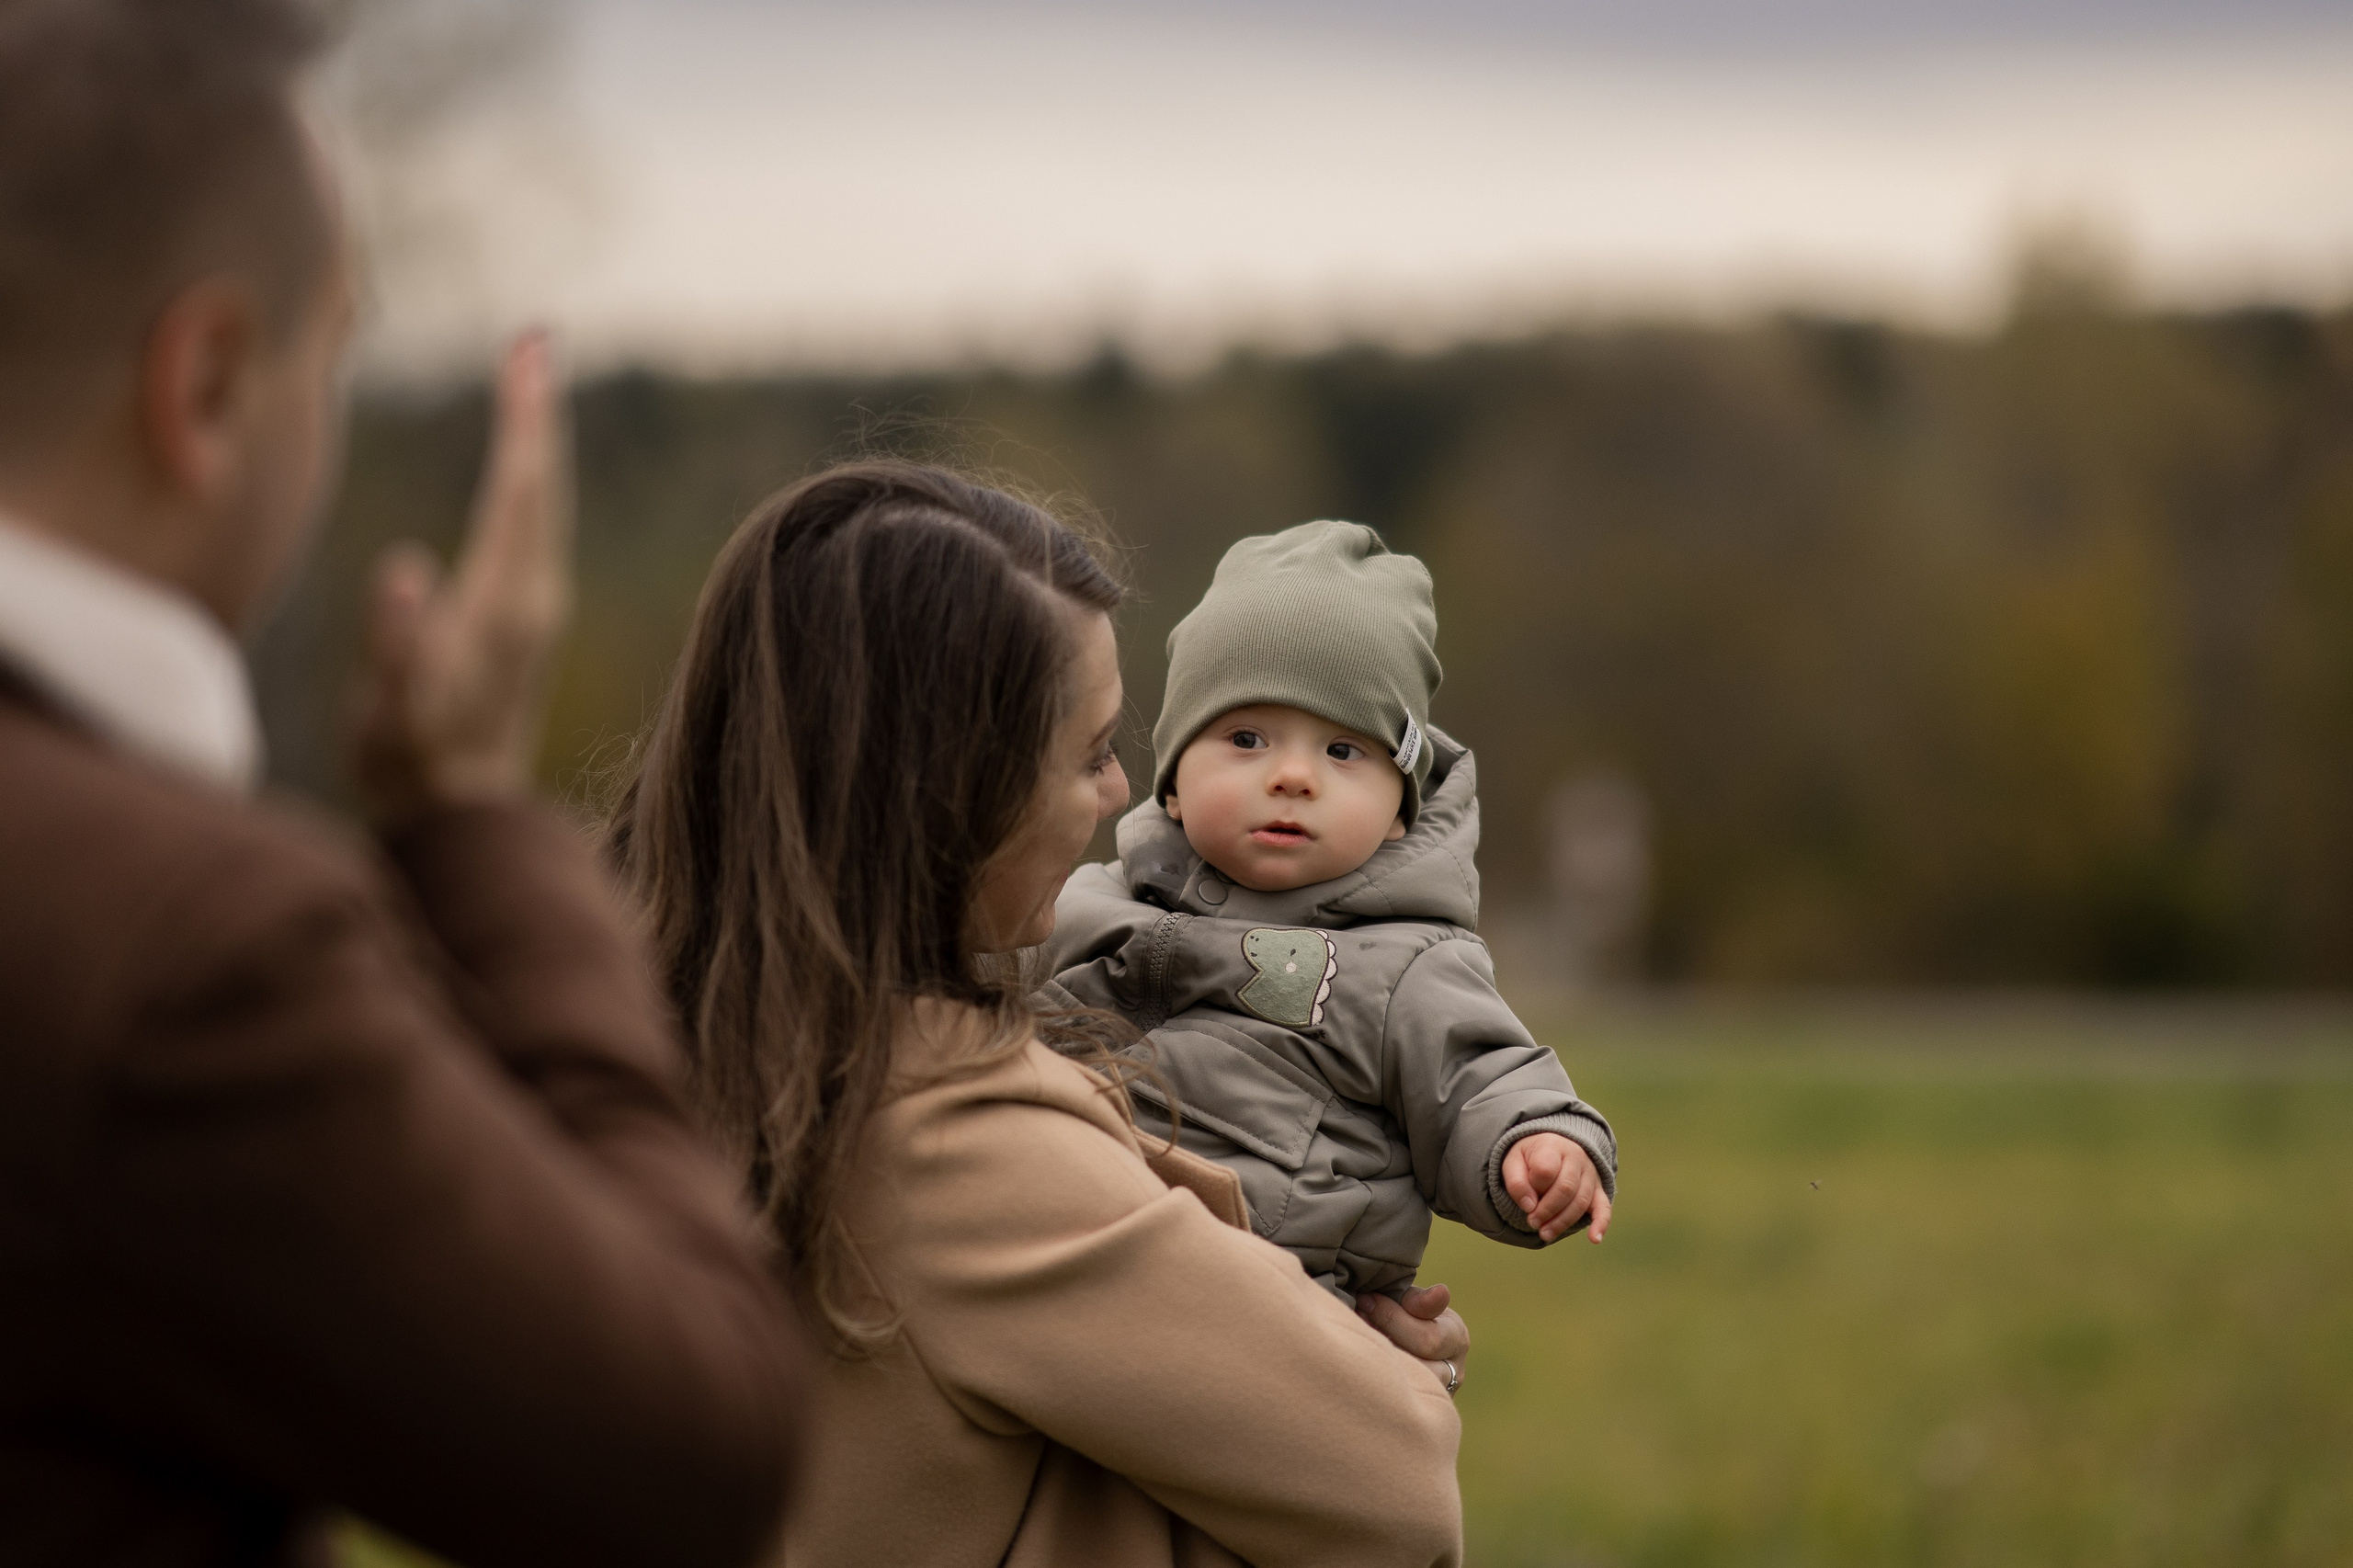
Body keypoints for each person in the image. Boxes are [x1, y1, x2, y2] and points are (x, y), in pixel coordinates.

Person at [0, 3, 808, 1564]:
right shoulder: (188, 955)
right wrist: (479, 819)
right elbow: (693, 1447)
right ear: (208, 384)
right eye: (332, 351)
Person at [608, 462, 1468, 1568]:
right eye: (1092, 752)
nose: (1121, 793)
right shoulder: (957, 1147)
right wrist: (1380, 1368)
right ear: (948, 795)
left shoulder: (663, 1034)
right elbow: (1397, 1488)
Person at [1043, 520, 1617, 1304]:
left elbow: (1482, 1078)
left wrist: (1538, 1142)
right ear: (1173, 782)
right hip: (1071, 1254)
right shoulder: (1084, 902)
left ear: (1398, 812)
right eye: (1247, 737)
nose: (1293, 776)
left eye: (1343, 752)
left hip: (1273, 1304)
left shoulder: (1405, 964)